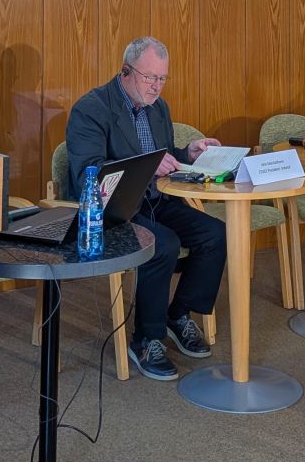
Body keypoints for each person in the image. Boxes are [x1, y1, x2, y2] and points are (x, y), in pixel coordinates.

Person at [66, 37, 226, 380]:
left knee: (214, 234)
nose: (156, 86)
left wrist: (186, 154)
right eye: (150, 77)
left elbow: (162, 157)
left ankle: (177, 315)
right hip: (112, 210)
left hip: (155, 200)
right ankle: (146, 340)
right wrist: (149, 165)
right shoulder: (91, 108)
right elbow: (88, 175)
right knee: (163, 243)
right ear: (126, 71)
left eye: (162, 78)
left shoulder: (158, 107)